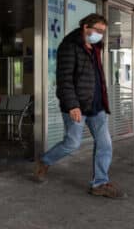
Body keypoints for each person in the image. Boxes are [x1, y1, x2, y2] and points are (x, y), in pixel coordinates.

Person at [33, 13, 126, 198]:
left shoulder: (97, 47)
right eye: (98, 30)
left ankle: (100, 183)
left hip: (97, 105)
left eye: (103, 32)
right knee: (72, 143)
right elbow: (64, 80)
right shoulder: (69, 47)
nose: (100, 34)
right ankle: (44, 161)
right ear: (86, 27)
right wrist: (72, 105)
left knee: (105, 144)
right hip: (77, 105)